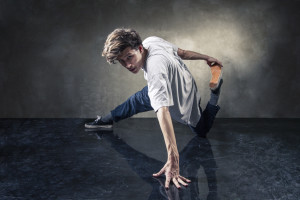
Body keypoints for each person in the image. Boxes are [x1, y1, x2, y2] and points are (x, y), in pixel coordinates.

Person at [85, 28, 223, 189]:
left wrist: (173, 159)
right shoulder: (151, 41)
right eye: (122, 61)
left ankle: (215, 94)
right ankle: (104, 120)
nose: (127, 65)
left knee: (201, 131)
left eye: (130, 57)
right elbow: (182, 52)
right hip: (180, 82)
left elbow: (163, 111)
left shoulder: (155, 70)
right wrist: (206, 57)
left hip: (182, 99)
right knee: (133, 102)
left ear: (140, 49)